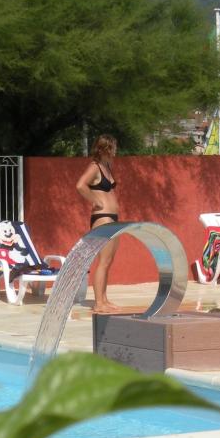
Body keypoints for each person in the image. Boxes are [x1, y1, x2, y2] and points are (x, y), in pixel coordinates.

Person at [76, 134, 122, 313]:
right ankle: (98, 303)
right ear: (106, 148)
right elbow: (80, 185)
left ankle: (104, 299)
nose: (116, 150)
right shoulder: (94, 167)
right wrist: (95, 201)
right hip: (103, 217)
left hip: (112, 217)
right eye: (113, 147)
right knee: (103, 261)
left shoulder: (107, 166)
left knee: (108, 261)